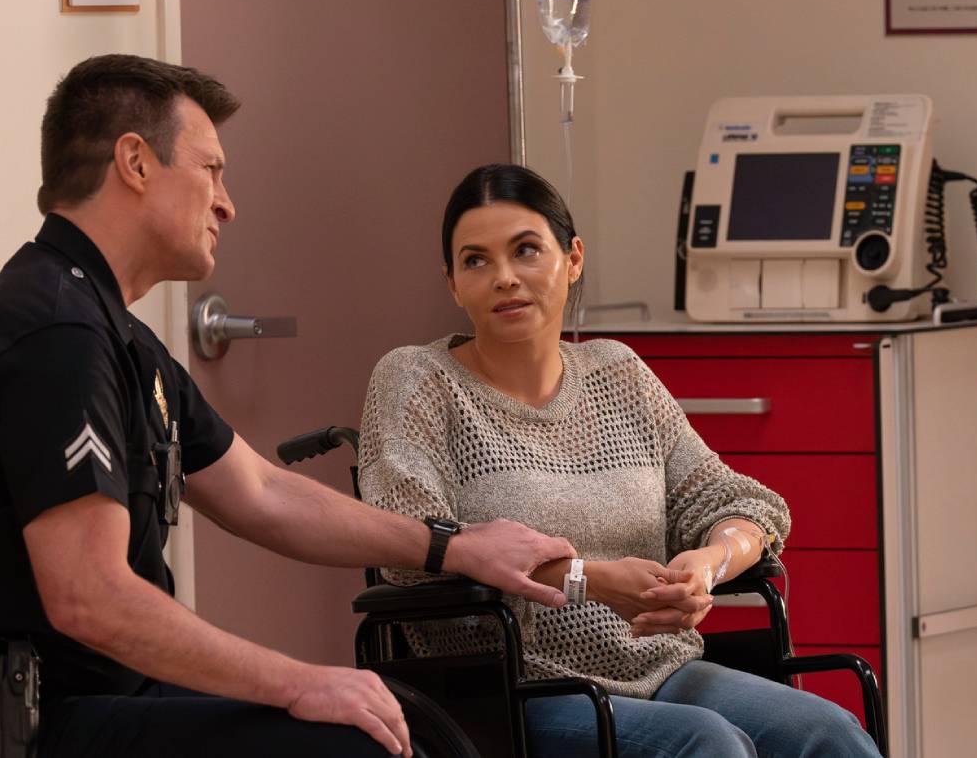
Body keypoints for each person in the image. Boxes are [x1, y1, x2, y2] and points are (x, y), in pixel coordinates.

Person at [0, 54, 577, 758]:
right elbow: (90, 599)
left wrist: (453, 545)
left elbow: (261, 493)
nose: (227, 202)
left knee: (405, 727)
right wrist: (301, 682)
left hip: (86, 698)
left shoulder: (115, 335)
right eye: (211, 170)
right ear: (136, 163)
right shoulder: (55, 333)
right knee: (361, 741)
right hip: (2, 726)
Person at [356, 163, 880, 758]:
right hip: (507, 689)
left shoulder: (618, 372)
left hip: (662, 668)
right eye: (476, 260)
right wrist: (590, 581)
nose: (504, 277)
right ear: (452, 283)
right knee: (708, 744)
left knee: (829, 731)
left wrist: (708, 564)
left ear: (572, 258)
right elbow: (410, 547)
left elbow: (738, 502)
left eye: (526, 250)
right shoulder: (417, 379)